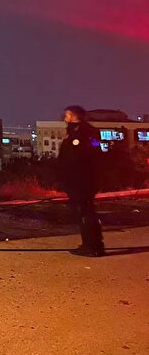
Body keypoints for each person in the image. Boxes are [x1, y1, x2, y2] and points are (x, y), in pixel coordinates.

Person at [56, 105, 105, 257]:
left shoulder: (81, 133)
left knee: (85, 212)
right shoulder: (86, 131)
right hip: (84, 179)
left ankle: (92, 246)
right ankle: (92, 243)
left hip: (81, 180)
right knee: (86, 211)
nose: (64, 119)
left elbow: (75, 158)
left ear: (72, 116)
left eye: (66, 115)